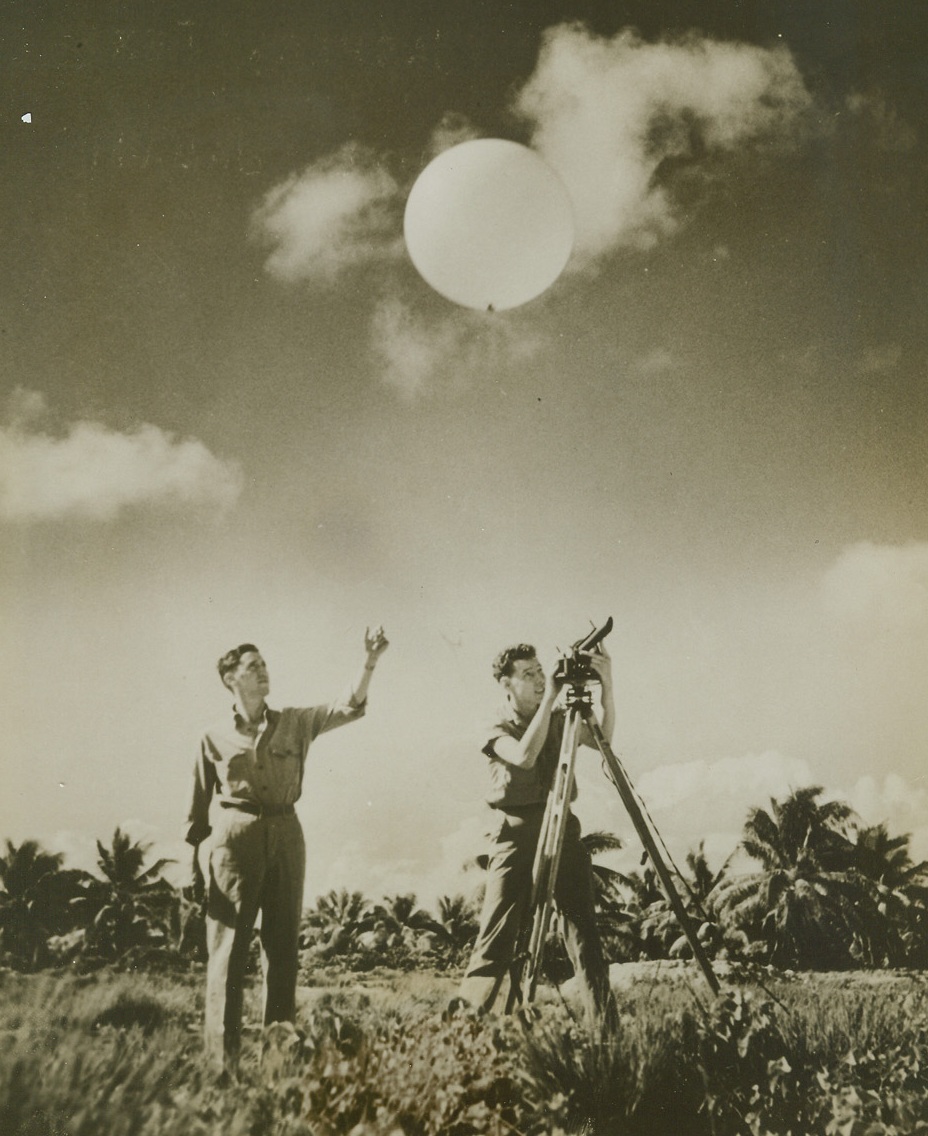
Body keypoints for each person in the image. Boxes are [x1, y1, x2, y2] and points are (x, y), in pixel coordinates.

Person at [185, 626, 389, 1072]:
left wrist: (369, 661)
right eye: (252, 666)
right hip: (234, 841)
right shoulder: (212, 737)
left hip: (286, 833)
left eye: (264, 664)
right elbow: (197, 815)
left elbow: (347, 706)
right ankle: (223, 1069)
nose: (262, 672)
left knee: (281, 952)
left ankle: (279, 1064)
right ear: (230, 680)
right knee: (228, 955)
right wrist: (194, 871)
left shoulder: (294, 722)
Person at [455, 639, 618, 1025]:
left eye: (541, 671)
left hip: (562, 824)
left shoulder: (561, 717)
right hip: (516, 831)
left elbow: (604, 742)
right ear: (505, 683)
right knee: (496, 938)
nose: (541, 680)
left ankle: (605, 1036)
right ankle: (469, 1032)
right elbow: (525, 757)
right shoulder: (495, 725)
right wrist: (553, 700)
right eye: (528, 675)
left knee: (585, 938)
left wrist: (608, 686)